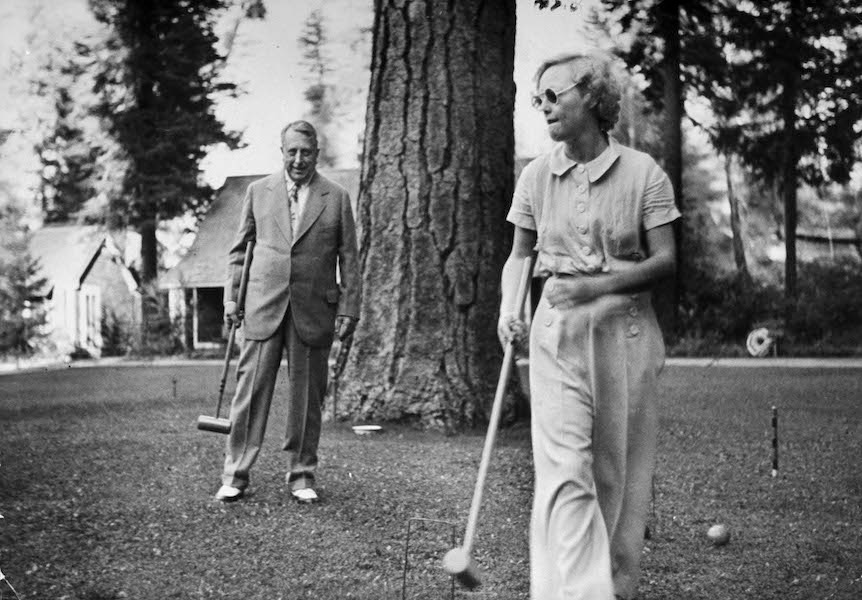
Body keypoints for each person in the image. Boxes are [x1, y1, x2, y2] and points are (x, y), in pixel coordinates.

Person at [498, 50, 680, 600]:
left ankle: (615, 588)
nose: (543, 106)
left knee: (616, 477)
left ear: (593, 98)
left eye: (555, 94)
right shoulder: (535, 175)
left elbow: (666, 260)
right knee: (563, 473)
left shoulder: (643, 173)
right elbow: (520, 256)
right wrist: (511, 308)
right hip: (557, 336)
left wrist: (597, 286)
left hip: (625, 334)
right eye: (539, 98)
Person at [215, 120, 360, 504]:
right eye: (292, 151)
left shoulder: (337, 197)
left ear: (317, 153)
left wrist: (350, 308)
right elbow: (238, 250)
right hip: (262, 305)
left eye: (306, 152)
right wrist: (232, 298)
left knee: (308, 397)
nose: (299, 159)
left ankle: (302, 474)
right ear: (282, 152)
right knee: (250, 392)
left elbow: (350, 258)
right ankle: (236, 473)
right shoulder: (257, 192)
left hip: (314, 310)